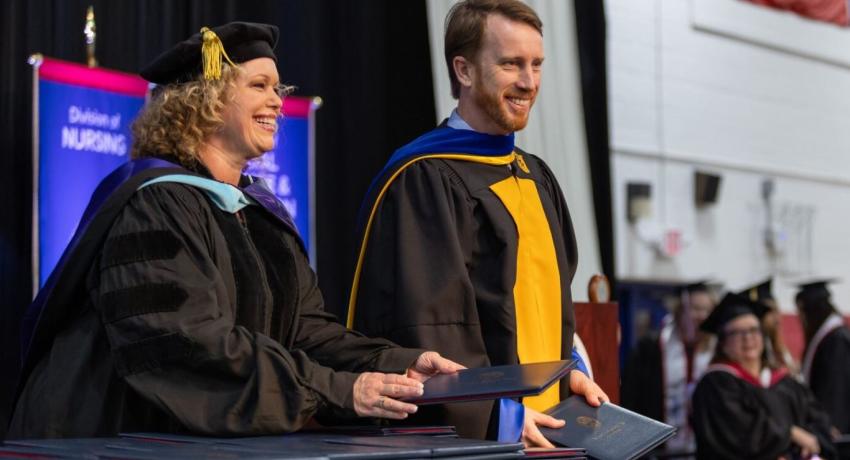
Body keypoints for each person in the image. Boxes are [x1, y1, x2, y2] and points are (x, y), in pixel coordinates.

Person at [8, 22, 463, 439]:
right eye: (259, 86)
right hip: (113, 437)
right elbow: (187, 345)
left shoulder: (260, 214)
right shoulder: (154, 206)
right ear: (203, 100)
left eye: (279, 88)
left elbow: (306, 333)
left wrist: (397, 364)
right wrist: (338, 390)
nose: (278, 101)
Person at [345, 0, 607, 446]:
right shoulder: (426, 178)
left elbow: (550, 304)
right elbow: (432, 328)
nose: (528, 82)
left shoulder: (535, 175)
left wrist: (571, 372)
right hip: (478, 441)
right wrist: (501, 417)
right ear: (464, 71)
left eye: (536, 64)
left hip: (545, 430)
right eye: (510, 64)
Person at [692, 293, 836, 459]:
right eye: (737, 333)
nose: (748, 338)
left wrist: (807, 445)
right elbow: (738, 435)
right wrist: (791, 434)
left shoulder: (785, 382)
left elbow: (818, 421)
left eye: (754, 330)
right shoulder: (716, 385)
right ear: (723, 343)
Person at [621, 281, 717, 454]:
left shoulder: (717, 351)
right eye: (695, 309)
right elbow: (630, 398)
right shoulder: (651, 347)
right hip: (656, 448)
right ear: (680, 311)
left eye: (707, 310)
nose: (702, 316)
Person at [796, 279, 850, 435]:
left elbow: (836, 390)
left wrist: (832, 427)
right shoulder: (831, 336)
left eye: (801, 311)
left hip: (837, 429)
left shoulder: (836, 340)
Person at [740, 278, 798, 374]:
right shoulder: (752, 348)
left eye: (777, 311)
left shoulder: (777, 345)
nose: (777, 317)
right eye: (771, 312)